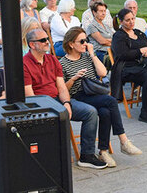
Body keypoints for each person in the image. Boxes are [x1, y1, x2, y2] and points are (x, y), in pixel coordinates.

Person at [22, 27, 105, 169]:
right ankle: (56, 156)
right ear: (32, 44)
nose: (47, 42)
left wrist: (66, 102)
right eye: (42, 40)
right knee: (60, 116)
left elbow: (61, 87)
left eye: (47, 39)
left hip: (58, 99)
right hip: (41, 103)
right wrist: (56, 107)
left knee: (90, 112)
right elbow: (30, 95)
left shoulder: (52, 60)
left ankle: (87, 155)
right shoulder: (24, 64)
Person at [60, 27, 140, 166]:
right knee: (110, 100)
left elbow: (102, 73)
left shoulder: (87, 56)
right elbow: (62, 89)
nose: (86, 43)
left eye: (87, 40)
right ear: (71, 44)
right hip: (78, 96)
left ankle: (103, 151)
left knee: (105, 111)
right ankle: (123, 141)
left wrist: (92, 54)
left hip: (93, 93)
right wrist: (73, 78)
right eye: (82, 41)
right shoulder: (63, 63)